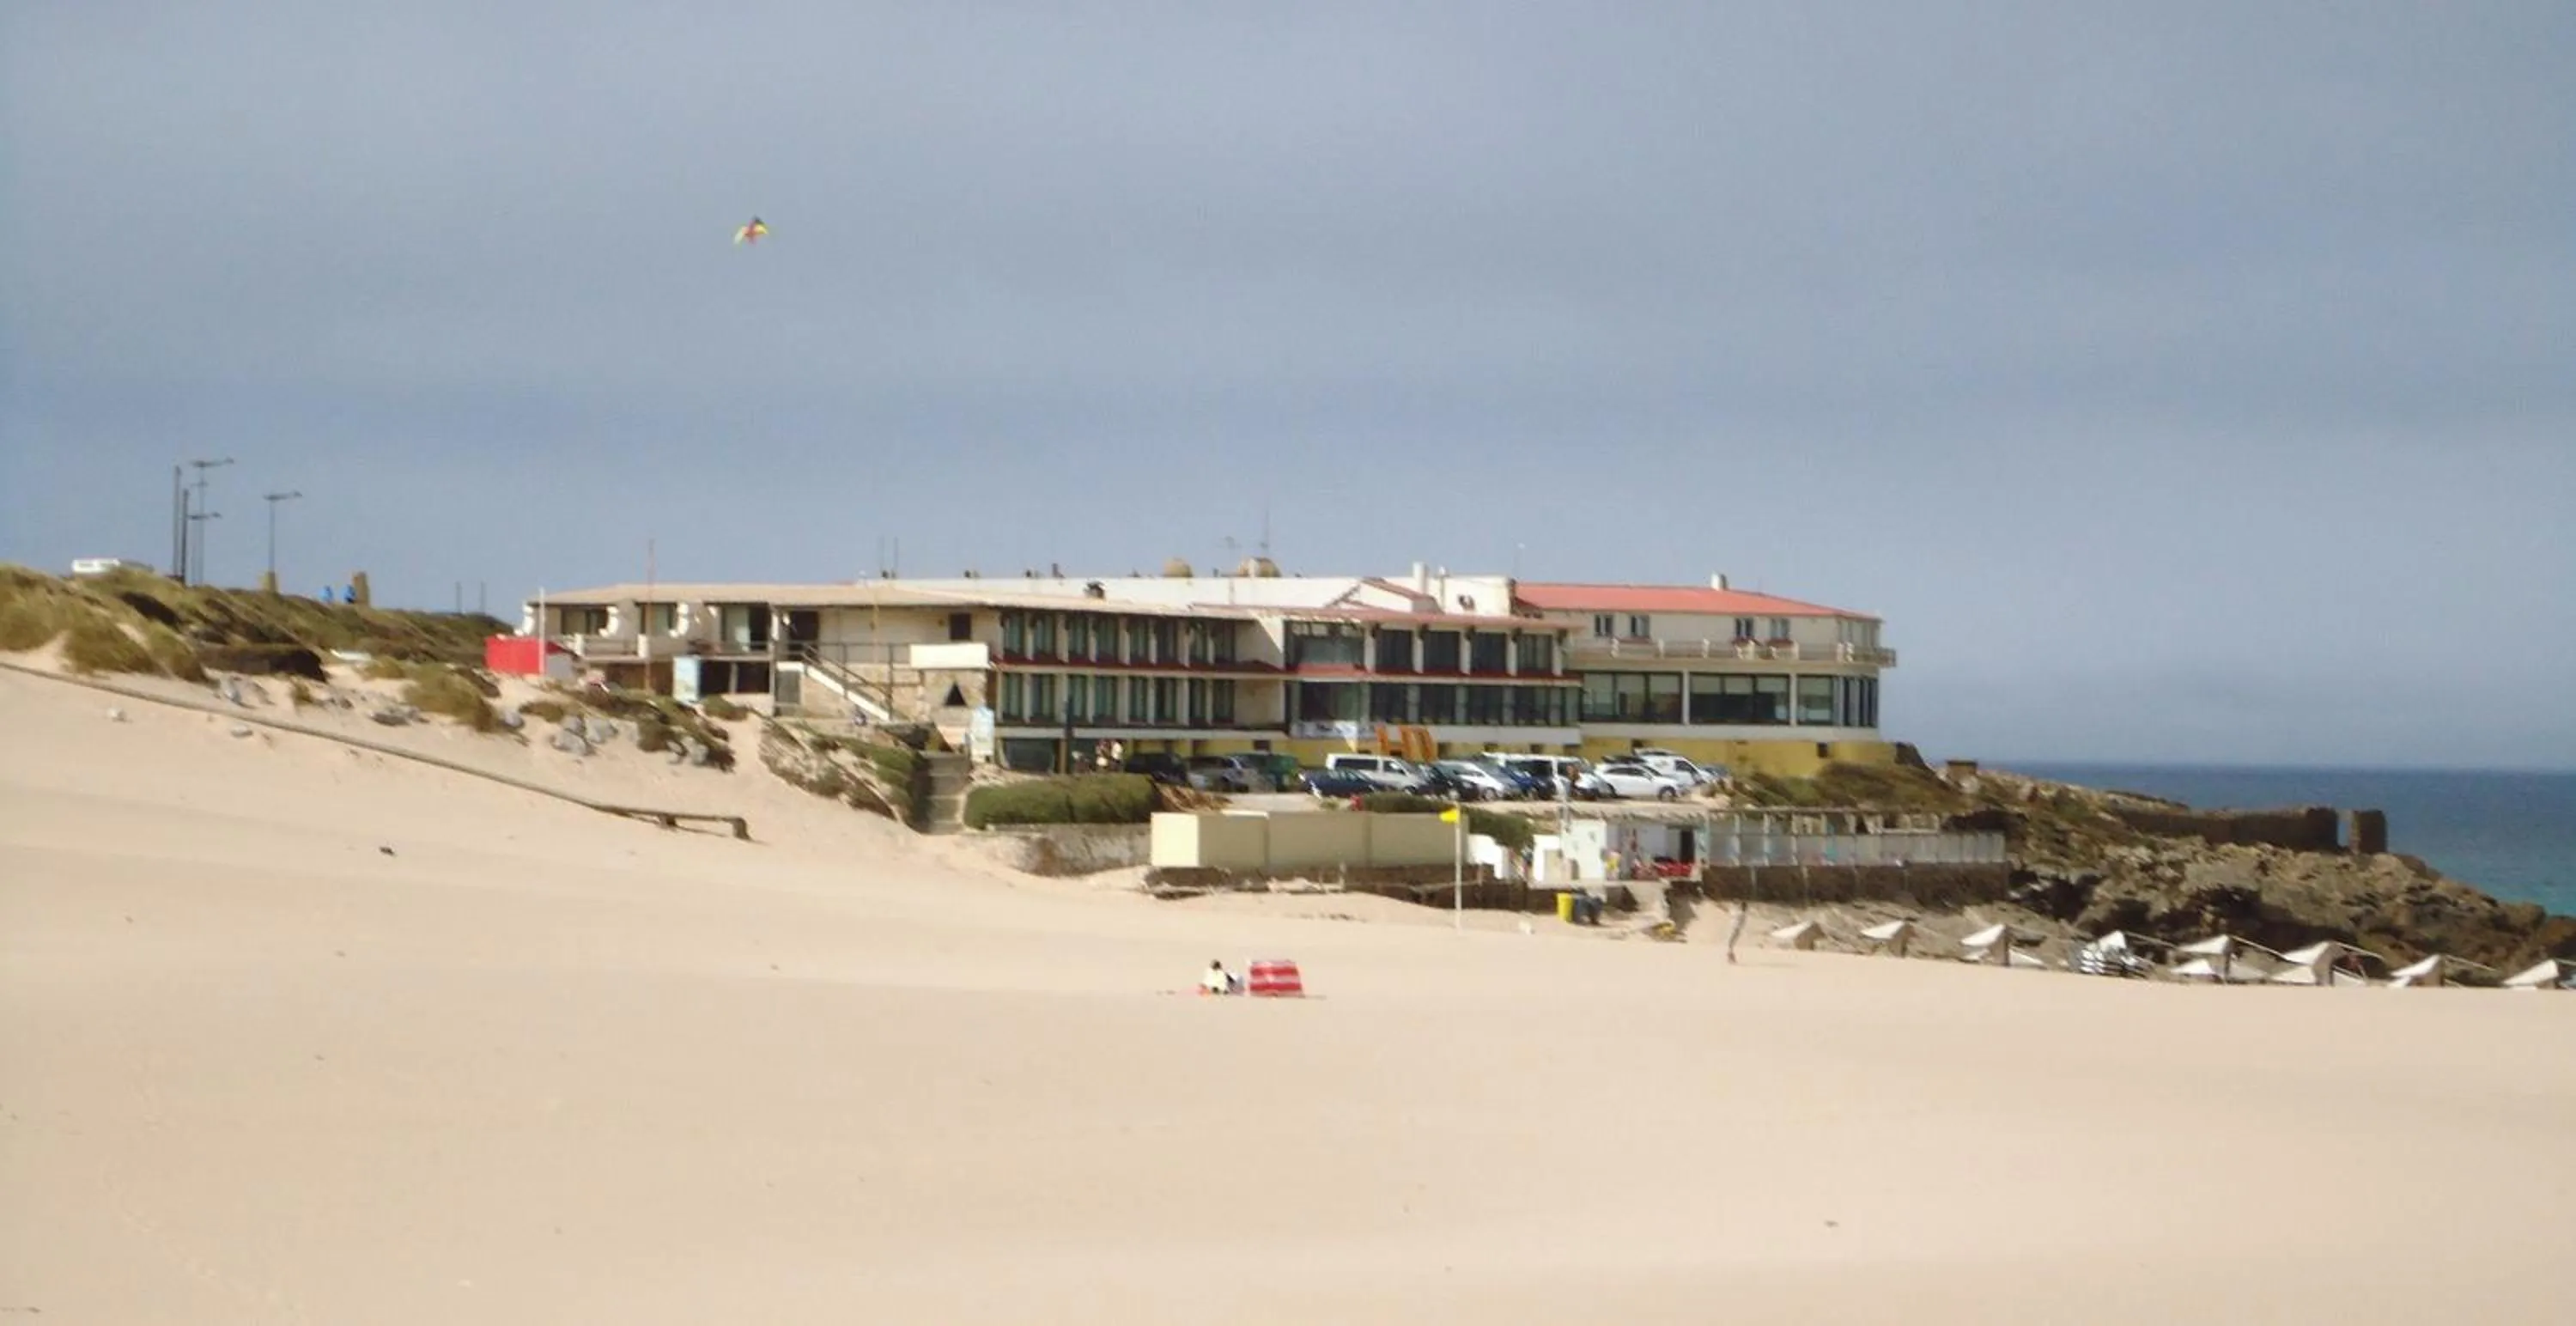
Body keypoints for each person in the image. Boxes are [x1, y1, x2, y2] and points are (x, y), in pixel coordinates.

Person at [1726, 898, 1750, 964]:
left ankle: (1731, 956)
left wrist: (1725, 908)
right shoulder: (1741, 913)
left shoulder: (1741, 914)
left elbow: (1732, 913)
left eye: (1741, 906)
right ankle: (1731, 956)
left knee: (1730, 943)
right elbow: (1731, 913)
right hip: (1736, 930)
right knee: (1730, 943)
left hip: (1736, 929)